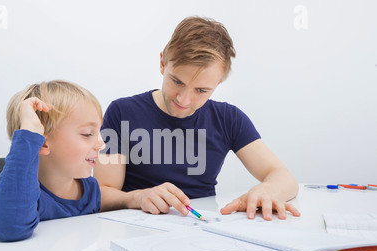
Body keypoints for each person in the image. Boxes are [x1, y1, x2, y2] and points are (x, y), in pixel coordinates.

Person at [94, 16, 300, 221]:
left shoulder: (229, 119)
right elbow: (102, 193)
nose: (183, 100)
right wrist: (137, 197)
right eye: (177, 81)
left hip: (200, 231)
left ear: (217, 84)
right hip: (136, 229)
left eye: (201, 90)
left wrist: (267, 191)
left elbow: (284, 178)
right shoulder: (122, 112)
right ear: (162, 64)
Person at [0, 80, 106, 242]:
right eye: (87, 134)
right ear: (43, 143)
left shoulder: (91, 188)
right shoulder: (25, 194)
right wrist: (30, 134)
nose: (101, 144)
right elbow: (10, 230)